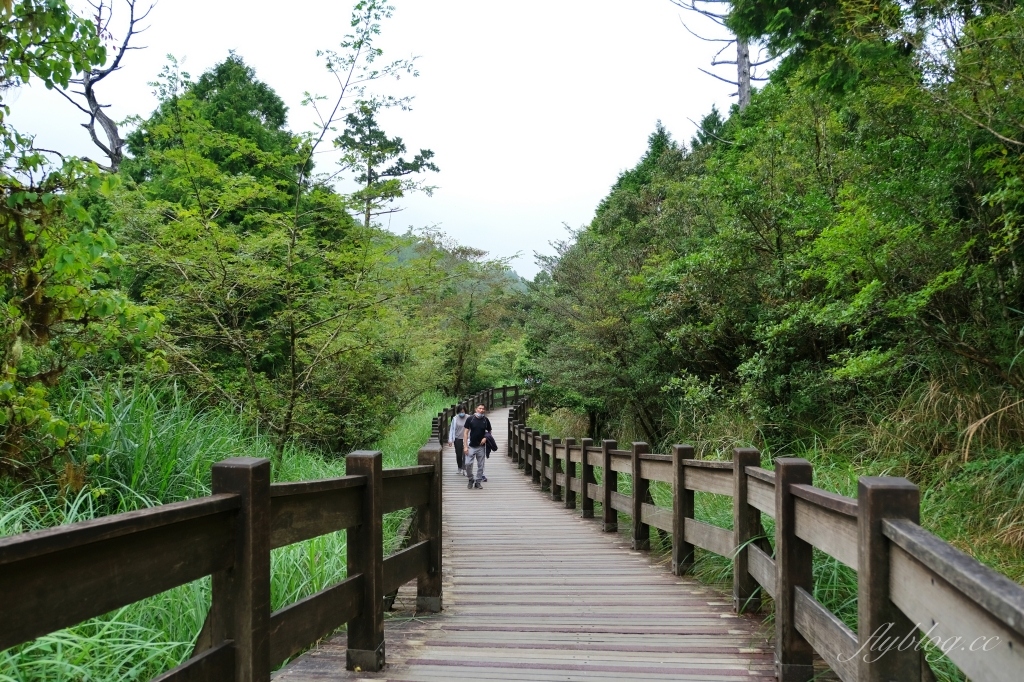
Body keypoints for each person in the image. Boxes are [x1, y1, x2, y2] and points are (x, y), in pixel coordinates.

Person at [463, 404, 492, 489]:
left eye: (483, 409)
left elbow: (489, 431)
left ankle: (478, 482)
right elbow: (465, 433)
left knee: (481, 465)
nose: (481, 410)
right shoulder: (470, 419)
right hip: (471, 445)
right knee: (468, 464)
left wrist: (485, 438)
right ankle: (471, 479)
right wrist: (465, 446)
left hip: (481, 446)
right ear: (476, 409)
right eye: (480, 408)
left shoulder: (485, 420)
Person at [447, 405, 471, 475]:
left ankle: (464, 469)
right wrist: (450, 439)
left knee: (465, 454)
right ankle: (459, 467)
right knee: (459, 454)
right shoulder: (455, 418)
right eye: (460, 412)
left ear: (465, 411)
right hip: (457, 438)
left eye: (463, 411)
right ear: (458, 412)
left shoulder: (469, 418)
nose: (462, 413)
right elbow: (452, 429)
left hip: (466, 439)